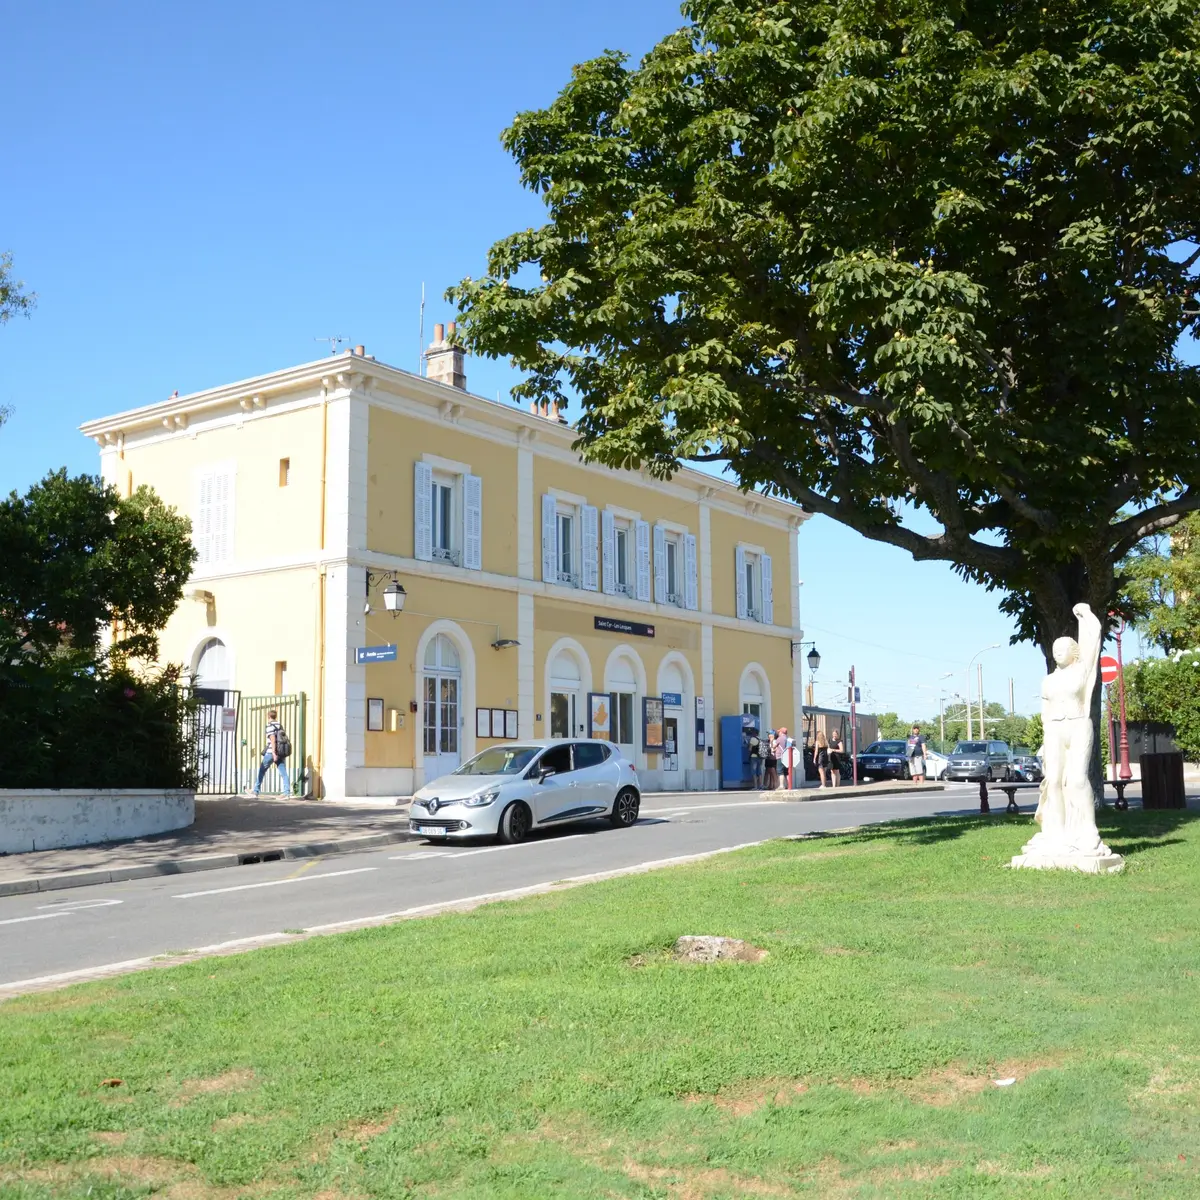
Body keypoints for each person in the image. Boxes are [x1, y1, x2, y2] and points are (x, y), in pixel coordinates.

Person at [253, 708, 291, 797]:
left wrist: (273, 753)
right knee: (283, 773)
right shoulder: (280, 726)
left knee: (262, 770)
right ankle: (287, 792)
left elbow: (273, 740)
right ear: (275, 716)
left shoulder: (269, 726)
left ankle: (256, 790)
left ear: (268, 716)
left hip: (271, 752)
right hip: (280, 752)